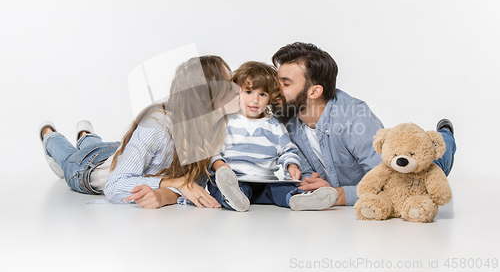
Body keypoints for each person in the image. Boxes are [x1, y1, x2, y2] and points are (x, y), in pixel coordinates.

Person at [39, 55, 241, 209]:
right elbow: (114, 185)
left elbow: (189, 182)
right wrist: (171, 183)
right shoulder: (159, 124)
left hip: (115, 152)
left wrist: (169, 193)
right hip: (87, 169)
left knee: (95, 147)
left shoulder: (207, 127)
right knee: (69, 160)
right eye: (227, 83)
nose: (236, 88)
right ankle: (49, 135)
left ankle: (85, 136)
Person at [271, 42, 456, 206]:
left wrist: (339, 195)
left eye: (285, 84)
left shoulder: (355, 119)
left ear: (314, 91)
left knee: (432, 161)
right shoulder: (288, 119)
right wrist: (313, 183)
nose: (275, 89)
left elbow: (392, 181)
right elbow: (305, 171)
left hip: (405, 170)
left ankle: (446, 133)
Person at [207, 61, 339, 212]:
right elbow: (212, 151)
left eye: (262, 94)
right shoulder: (227, 121)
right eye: (248, 92)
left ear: (270, 97)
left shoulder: (274, 125)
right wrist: (221, 167)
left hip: (265, 182)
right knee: (219, 187)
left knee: (282, 188)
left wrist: (291, 165)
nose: (255, 100)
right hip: (234, 180)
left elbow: (288, 150)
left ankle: (300, 199)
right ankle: (233, 198)